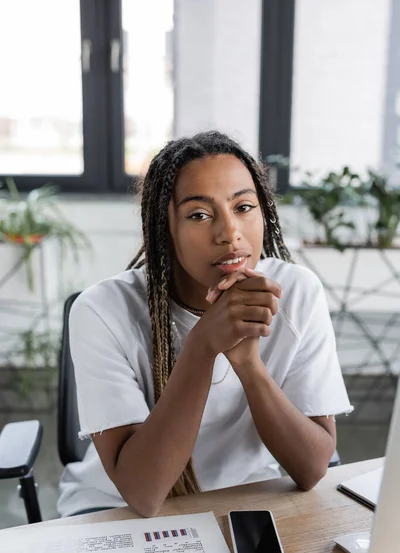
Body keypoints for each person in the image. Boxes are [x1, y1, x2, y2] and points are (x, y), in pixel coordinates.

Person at [58, 131, 353, 518]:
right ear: (165, 228)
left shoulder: (296, 294)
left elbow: (312, 467)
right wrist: (203, 346)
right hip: (115, 509)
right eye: (199, 214)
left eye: (244, 207)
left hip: (244, 500)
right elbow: (143, 494)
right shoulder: (102, 310)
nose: (229, 233)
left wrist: (248, 364)